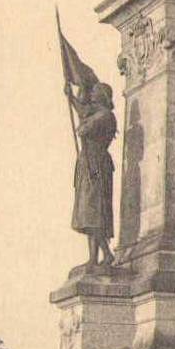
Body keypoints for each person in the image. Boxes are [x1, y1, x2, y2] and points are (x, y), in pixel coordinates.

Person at [65, 80, 117, 268]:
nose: (91, 96)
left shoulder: (105, 116)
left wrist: (75, 98)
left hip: (96, 165)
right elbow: (84, 114)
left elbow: (84, 127)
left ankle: (105, 255)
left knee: (93, 211)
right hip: (90, 163)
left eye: (95, 92)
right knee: (88, 212)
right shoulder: (98, 114)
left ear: (102, 96)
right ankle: (95, 257)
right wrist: (72, 97)